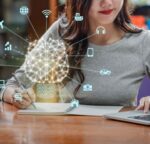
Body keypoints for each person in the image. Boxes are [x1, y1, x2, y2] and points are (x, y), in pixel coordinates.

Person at [1, 0, 150, 112]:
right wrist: (17, 96)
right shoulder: (62, 32)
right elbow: (10, 87)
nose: (107, 2)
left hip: (121, 137)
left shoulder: (144, 41)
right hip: (68, 135)